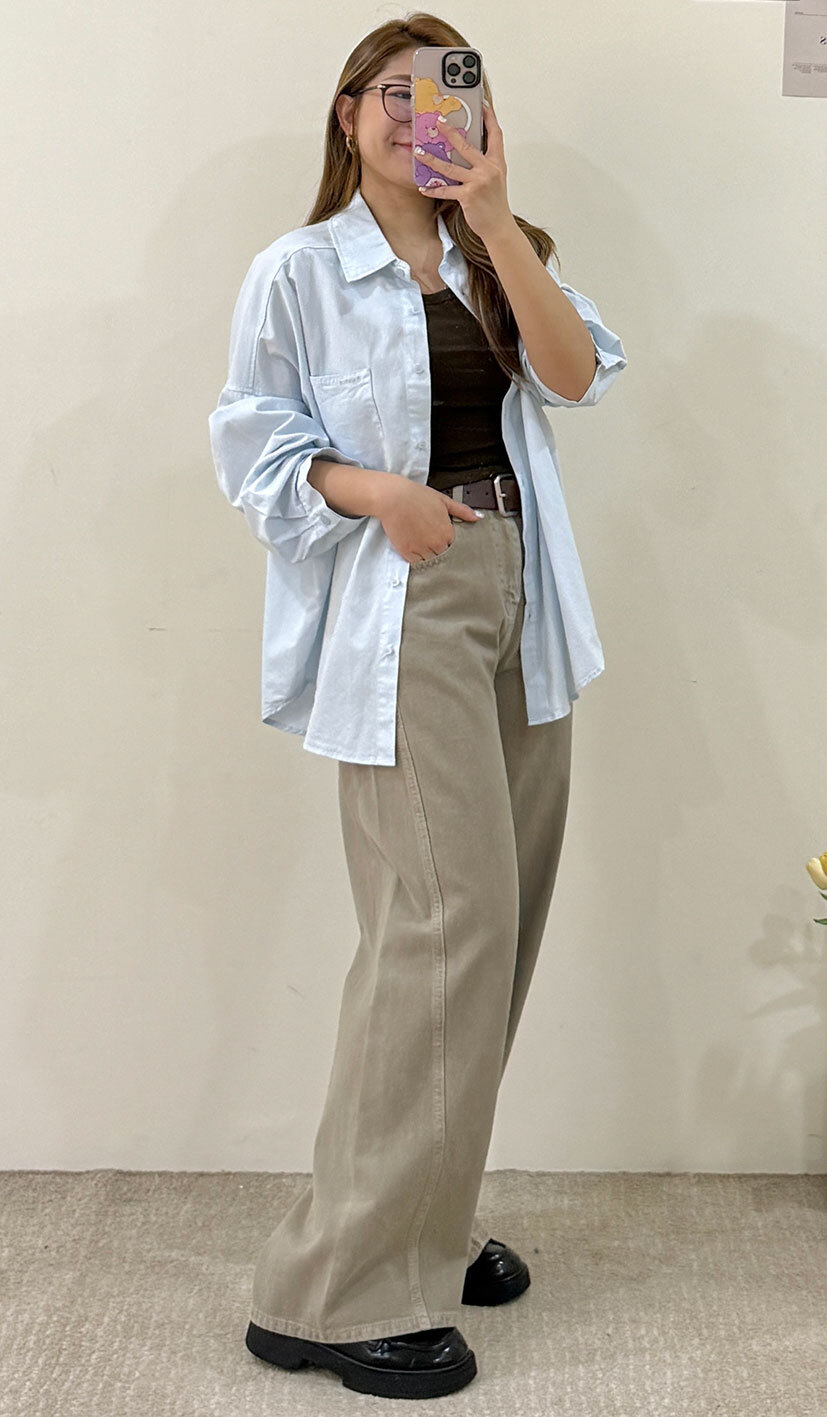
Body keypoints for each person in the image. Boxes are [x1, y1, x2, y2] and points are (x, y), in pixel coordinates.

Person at [208, 14, 627, 1402]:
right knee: (440, 932)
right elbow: (254, 448)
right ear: (346, 116)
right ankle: (335, 1291)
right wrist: (377, 492)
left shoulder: (499, 252)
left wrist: (494, 220)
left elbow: (572, 374)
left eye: (448, 90)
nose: (415, 112)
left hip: (523, 590)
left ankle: (423, 1223)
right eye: (390, 92)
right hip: (409, 596)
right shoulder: (299, 271)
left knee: (498, 930)